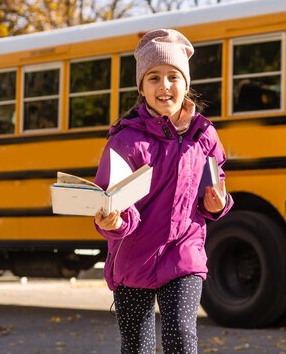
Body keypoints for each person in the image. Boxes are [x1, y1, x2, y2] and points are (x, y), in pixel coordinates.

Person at [93, 28, 233, 354]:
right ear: (141, 87)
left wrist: (217, 204)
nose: (164, 85)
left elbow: (215, 189)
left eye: (173, 76)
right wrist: (113, 222)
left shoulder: (205, 136)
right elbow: (109, 201)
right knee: (137, 347)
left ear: (186, 85)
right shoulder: (125, 142)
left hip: (184, 255)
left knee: (182, 340)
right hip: (133, 259)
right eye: (154, 77)